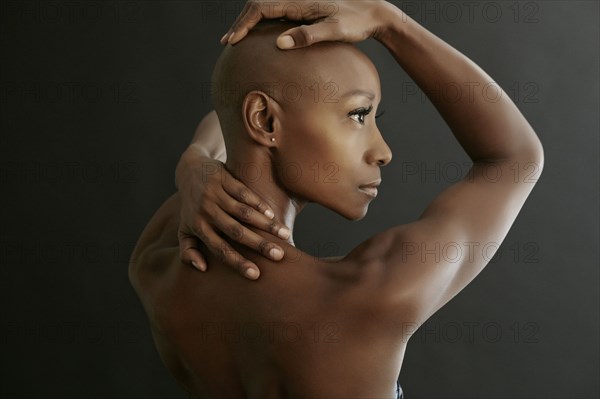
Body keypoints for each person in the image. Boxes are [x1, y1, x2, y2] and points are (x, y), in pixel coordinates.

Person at [129, 1, 544, 398]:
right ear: (266, 120)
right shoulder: (368, 299)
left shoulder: (155, 262)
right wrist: (389, 22)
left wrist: (195, 160)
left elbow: (228, 117)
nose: (383, 151)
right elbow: (513, 158)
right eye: (358, 115)